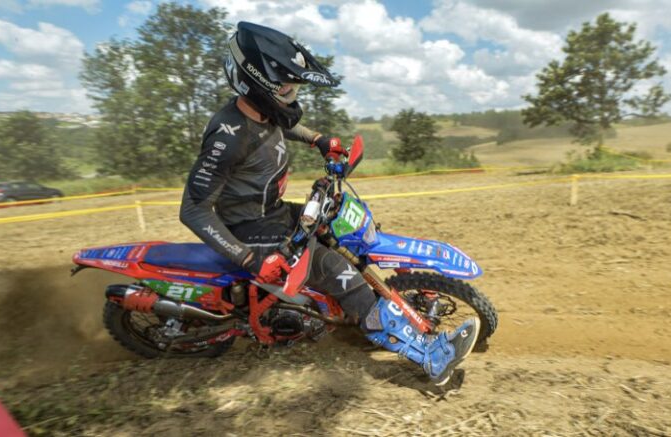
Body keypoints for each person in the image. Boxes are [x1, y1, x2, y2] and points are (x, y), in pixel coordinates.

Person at [180, 21, 479, 385]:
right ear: (257, 84)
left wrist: (317, 139)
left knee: (339, 231)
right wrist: (249, 258)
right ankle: (429, 355)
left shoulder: (258, 113)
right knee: (340, 272)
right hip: (251, 231)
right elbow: (193, 209)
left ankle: (351, 312)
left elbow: (277, 124)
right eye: (286, 88)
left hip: (272, 213)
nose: (292, 95)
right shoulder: (227, 137)